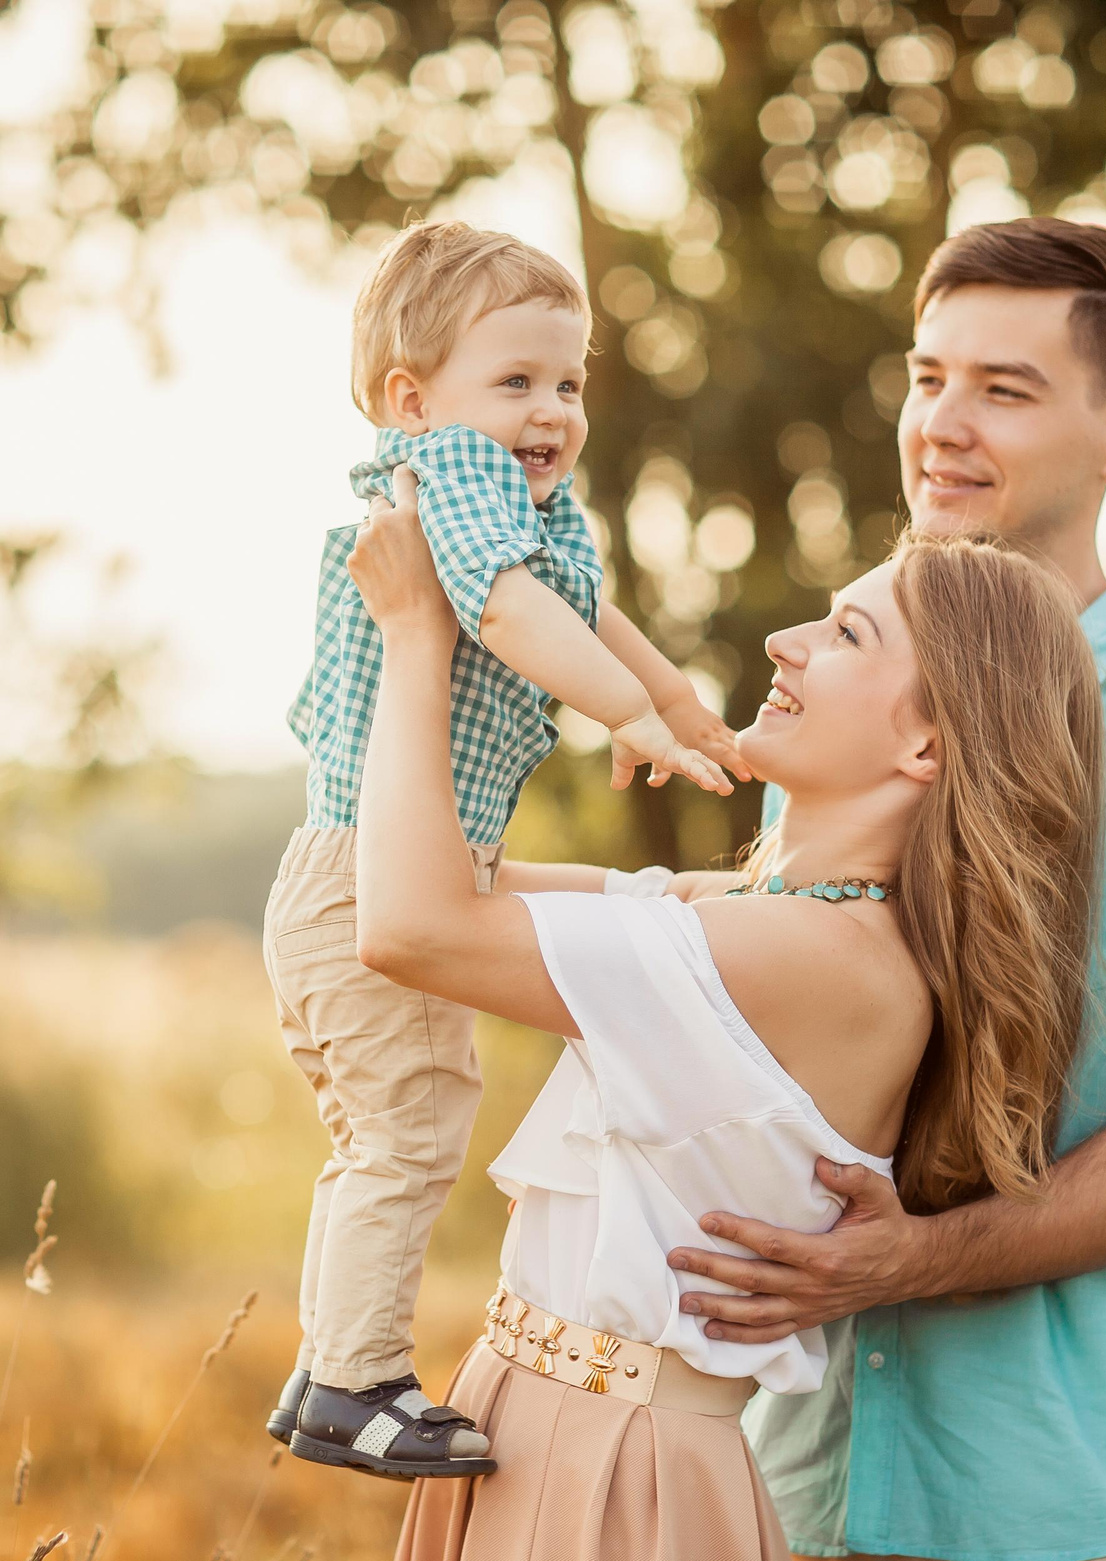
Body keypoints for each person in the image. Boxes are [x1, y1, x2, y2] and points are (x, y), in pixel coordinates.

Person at [667, 218, 1106, 1561]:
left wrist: (914, 1258)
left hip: (1080, 1496)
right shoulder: (840, 699)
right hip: (816, 1476)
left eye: (1006, 390)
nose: (942, 426)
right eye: (928, 374)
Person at [340, 493, 1106, 1561]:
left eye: (846, 636)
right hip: (542, 1432)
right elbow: (427, 871)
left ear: (925, 747)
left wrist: (417, 632)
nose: (782, 646)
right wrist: (519, 606)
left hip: (618, 1484)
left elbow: (409, 924)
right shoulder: (760, 922)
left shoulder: (811, 960)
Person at [264, 221, 744, 1481]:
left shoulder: (514, 496)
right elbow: (511, 610)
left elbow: (584, 602)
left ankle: (327, 1364)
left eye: (570, 382)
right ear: (411, 401)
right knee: (409, 1135)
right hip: (370, 876)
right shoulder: (448, 485)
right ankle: (353, 1382)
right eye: (518, 381)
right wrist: (626, 713)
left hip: (387, 868)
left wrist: (676, 701)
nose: (553, 410)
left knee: (390, 1129)